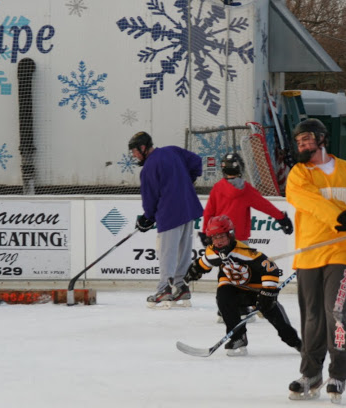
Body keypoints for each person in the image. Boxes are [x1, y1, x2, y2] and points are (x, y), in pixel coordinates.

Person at [284, 118, 346, 404]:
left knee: (336, 311)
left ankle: (339, 373)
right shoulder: (299, 174)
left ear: (322, 138)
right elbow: (312, 202)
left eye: (307, 139)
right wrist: (342, 217)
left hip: (343, 252)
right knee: (312, 317)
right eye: (299, 142)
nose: (302, 145)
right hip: (310, 252)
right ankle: (310, 374)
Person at [183, 215, 302, 356]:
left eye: (221, 236)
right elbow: (204, 262)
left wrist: (268, 293)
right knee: (223, 296)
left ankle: (297, 343)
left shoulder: (244, 252)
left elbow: (271, 269)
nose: (218, 241)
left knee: (275, 317)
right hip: (234, 289)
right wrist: (195, 270)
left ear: (230, 234)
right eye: (214, 237)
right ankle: (238, 337)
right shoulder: (212, 252)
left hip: (256, 290)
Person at [128, 132, 204, 307]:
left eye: (134, 151)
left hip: (169, 214)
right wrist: (187, 181)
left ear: (143, 147)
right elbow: (196, 162)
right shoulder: (172, 151)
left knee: (167, 253)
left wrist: (147, 218)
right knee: (183, 252)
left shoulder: (148, 168)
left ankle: (164, 289)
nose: (134, 155)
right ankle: (181, 287)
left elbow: (150, 199)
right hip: (188, 208)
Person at [201, 152, 293, 245]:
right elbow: (264, 205)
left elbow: (208, 213)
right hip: (239, 238)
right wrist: (282, 218)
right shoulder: (246, 189)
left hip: (219, 237)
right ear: (240, 168)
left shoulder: (217, 188)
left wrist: (205, 233)